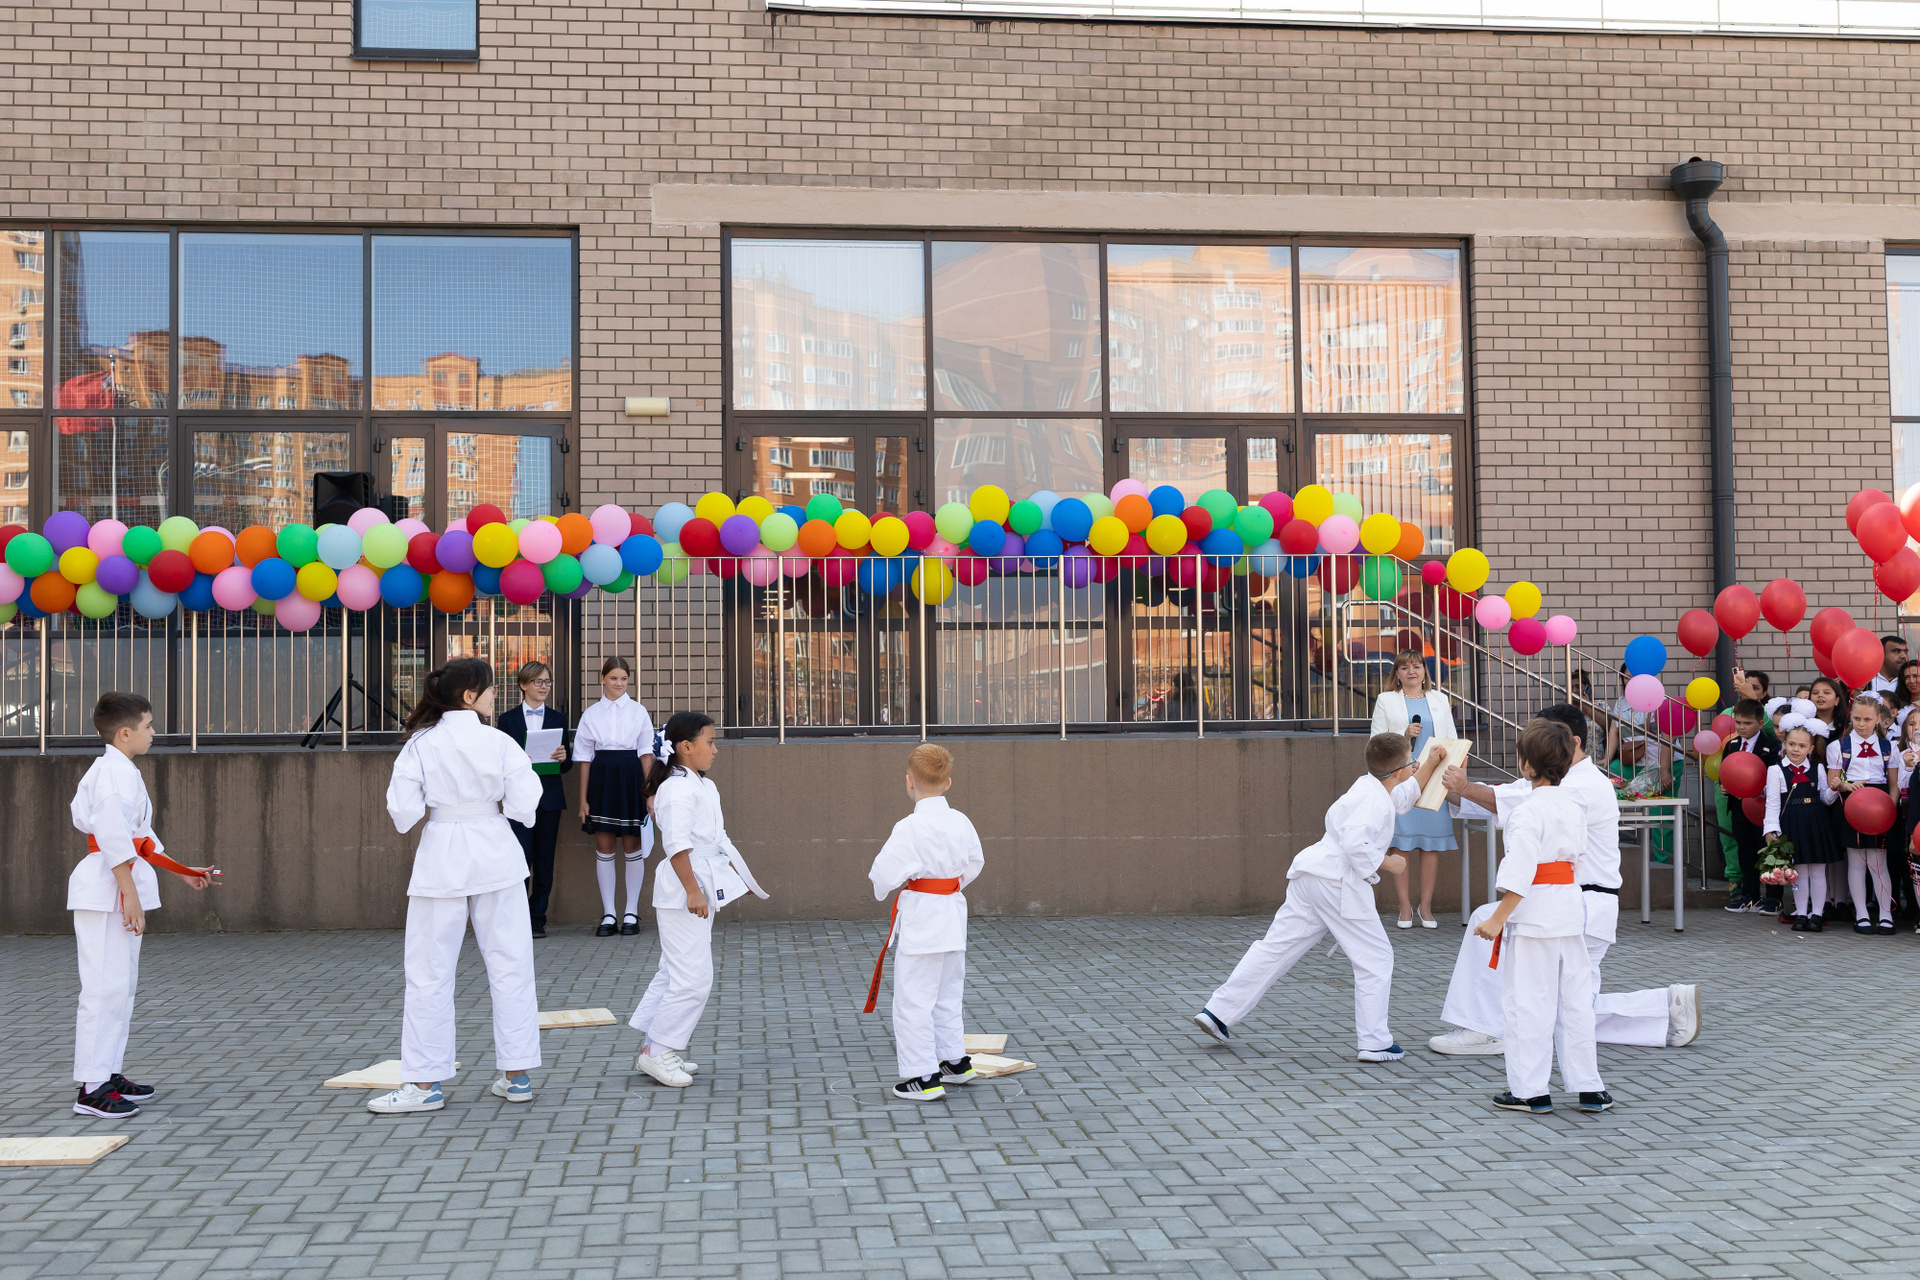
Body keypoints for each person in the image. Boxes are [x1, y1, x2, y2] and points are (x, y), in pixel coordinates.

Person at [1430, 702, 1698, 1057]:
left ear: (1572, 742)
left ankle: (1483, 1028)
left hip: (1578, 905)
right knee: (1563, 1008)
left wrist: (1463, 787)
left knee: (1494, 929)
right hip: (1574, 905)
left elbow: (1510, 800)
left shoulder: (1581, 784)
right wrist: (1440, 783)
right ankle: (1667, 1007)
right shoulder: (1559, 778)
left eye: (1544, 738)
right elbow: (1505, 797)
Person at [1191, 732, 1444, 1063]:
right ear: (1397, 771)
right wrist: (1390, 863)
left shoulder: (1369, 786)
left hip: (1311, 874)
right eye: (1412, 761)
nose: (1415, 764)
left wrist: (1431, 763)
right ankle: (1375, 1043)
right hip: (1337, 881)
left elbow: (1402, 795)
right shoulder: (1374, 800)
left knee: (1276, 948)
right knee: (1376, 958)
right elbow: (1355, 843)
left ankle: (1217, 1012)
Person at [372, 658, 546, 1114]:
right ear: (469, 696)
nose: (494, 695)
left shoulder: (421, 743)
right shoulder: (499, 741)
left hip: (442, 854)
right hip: (496, 851)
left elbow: (402, 811)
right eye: (489, 688)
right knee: (511, 964)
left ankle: (424, 1084)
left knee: (429, 971)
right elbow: (526, 800)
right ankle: (517, 1076)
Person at [67, 692, 216, 1119]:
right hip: (107, 888)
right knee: (103, 987)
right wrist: (128, 893)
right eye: (148, 726)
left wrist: (181, 870)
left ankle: (108, 1072)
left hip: (116, 882)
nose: (153, 733)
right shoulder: (111, 774)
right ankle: (91, 1088)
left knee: (120, 986)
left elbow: (141, 837)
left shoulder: (121, 770)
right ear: (124, 733)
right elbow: (113, 836)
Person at [1473, 720, 1610, 1115]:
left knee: (1528, 1003)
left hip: (1535, 916)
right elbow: (1577, 859)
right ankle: (1589, 1087)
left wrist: (1498, 919)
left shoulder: (1527, 812)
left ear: (1527, 766)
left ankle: (1529, 1091)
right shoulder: (1573, 806)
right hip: (1569, 910)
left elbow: (1521, 871)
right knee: (1575, 1002)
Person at [629, 712, 768, 1088]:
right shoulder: (677, 789)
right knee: (693, 977)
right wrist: (691, 889)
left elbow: (714, 838)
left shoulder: (701, 784)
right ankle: (658, 1050)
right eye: (710, 742)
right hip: (682, 888)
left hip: (698, 880)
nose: (715, 749)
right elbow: (676, 845)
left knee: (675, 970)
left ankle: (653, 1046)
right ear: (686, 747)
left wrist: (731, 876)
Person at [865, 744, 986, 1103]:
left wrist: (890, 888)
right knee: (948, 993)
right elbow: (976, 862)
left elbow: (882, 875)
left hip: (923, 919)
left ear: (909, 782)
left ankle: (923, 1077)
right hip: (952, 912)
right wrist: (949, 885)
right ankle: (955, 1062)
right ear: (947, 782)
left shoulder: (910, 826)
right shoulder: (960, 820)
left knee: (914, 1000)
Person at [1369, 650, 1458, 929]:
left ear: (1424, 672)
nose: (1411, 672)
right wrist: (1403, 735)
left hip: (1434, 777)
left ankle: (1426, 908)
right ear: (1397, 673)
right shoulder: (1386, 700)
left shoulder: (1439, 699)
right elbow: (1376, 742)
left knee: (1430, 846)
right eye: (1405, 667)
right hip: (1401, 778)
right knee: (1402, 844)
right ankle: (1405, 907)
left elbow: (1452, 737)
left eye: (1417, 666)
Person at [575, 656, 658, 938]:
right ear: (602, 679)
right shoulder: (591, 714)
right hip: (602, 780)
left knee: (633, 846)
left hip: (632, 780)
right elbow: (584, 759)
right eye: (613, 678)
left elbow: (646, 754)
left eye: (623, 678)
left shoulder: (639, 711)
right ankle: (609, 913)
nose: (619, 683)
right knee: (605, 845)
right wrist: (583, 800)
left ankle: (631, 912)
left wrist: (649, 793)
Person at [497, 661, 571, 939]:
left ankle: (537, 918)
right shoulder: (507, 720)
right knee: (520, 860)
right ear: (523, 684)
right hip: (518, 800)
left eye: (547, 682)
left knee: (544, 861)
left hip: (549, 799)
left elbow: (567, 766)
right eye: (538, 682)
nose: (544, 687)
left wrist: (563, 758)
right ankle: (517, 918)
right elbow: (499, 763)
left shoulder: (558, 719)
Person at [1827, 695, 1901, 934]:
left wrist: (1889, 810)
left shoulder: (1889, 747)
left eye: (1867, 719)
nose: (1861, 724)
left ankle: (1885, 915)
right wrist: (1846, 786)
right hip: (1854, 803)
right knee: (1857, 860)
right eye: (1857, 718)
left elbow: (1894, 785)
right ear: (1851, 716)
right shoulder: (1838, 746)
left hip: (1880, 805)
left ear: (1879, 719)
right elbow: (1833, 782)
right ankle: (1861, 915)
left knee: (1879, 862)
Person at [1763, 715, 1838, 932]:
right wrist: (1771, 830)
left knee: (1818, 871)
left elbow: (1825, 799)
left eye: (1802, 746)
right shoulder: (1776, 770)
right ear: (1784, 744)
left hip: (1816, 823)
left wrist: (1834, 789)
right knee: (1799, 872)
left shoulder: (1817, 768)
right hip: (1792, 823)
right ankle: (1802, 913)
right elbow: (1773, 803)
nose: (1796, 749)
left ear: (1811, 748)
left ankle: (1817, 914)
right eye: (1792, 744)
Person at [1722, 699, 1782, 913]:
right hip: (1739, 808)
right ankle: (1750, 896)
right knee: (1746, 852)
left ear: (1760, 723)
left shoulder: (1771, 746)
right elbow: (1725, 772)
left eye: (1747, 723)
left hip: (1762, 808)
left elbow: (1775, 776)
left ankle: (1774, 899)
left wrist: (1757, 789)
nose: (1742, 727)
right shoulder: (1732, 745)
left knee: (1769, 852)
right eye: (1738, 722)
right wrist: (1726, 786)